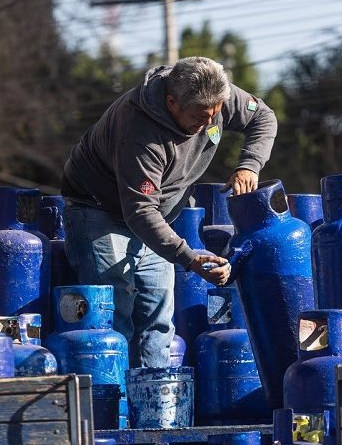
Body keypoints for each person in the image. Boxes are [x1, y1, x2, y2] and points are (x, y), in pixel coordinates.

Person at [61, 56, 277, 367]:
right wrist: (189, 258)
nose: (208, 124)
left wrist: (249, 165)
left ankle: (153, 394)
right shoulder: (139, 132)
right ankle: (112, 398)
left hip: (157, 215)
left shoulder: (213, 99)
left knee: (158, 320)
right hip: (98, 209)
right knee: (115, 313)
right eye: (199, 118)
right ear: (172, 102)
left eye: (214, 116)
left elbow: (264, 117)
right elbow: (140, 211)